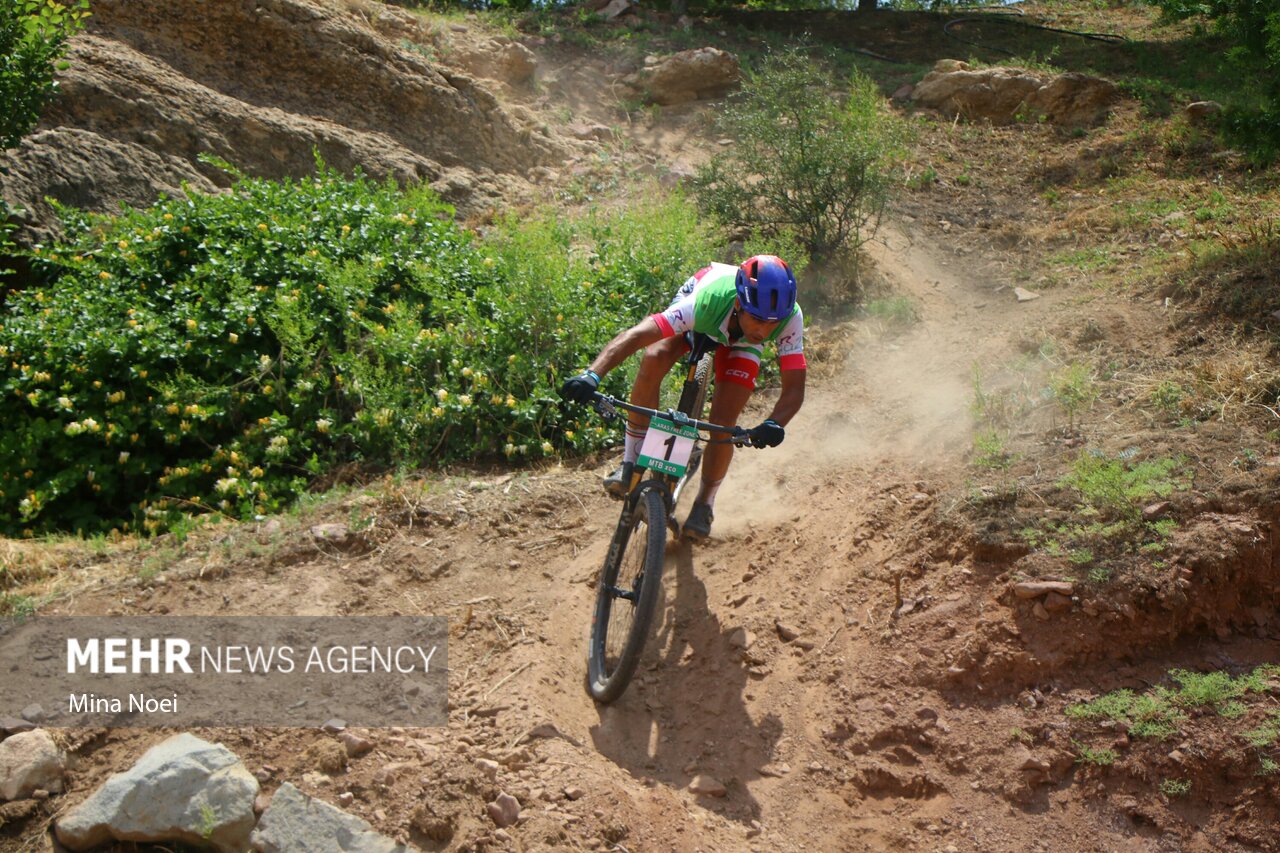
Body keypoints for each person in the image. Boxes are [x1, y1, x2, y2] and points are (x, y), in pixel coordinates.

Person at [558, 254, 806, 542]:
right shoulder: (706, 301)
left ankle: (705, 503)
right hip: (705, 315)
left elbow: (794, 388)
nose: (763, 330)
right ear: (739, 303)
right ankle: (630, 461)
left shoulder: (789, 317)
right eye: (758, 319)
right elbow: (639, 335)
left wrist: (775, 423)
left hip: (738, 344)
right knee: (655, 355)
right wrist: (592, 374)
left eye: (771, 322)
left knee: (724, 419)